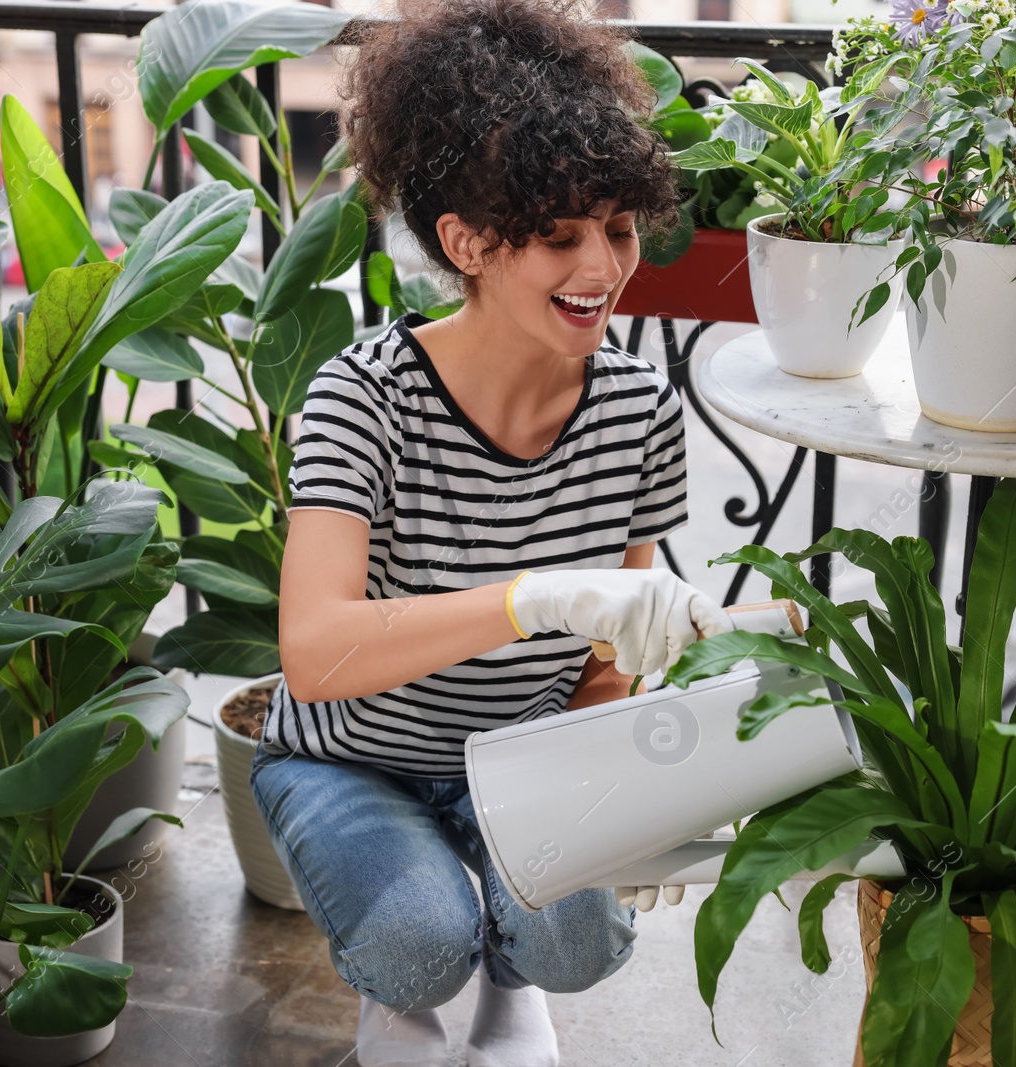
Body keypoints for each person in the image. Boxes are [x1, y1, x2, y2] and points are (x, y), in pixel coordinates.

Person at [248, 2, 733, 1064]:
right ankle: (405, 992)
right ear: (465, 241)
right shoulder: (360, 399)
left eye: (615, 227)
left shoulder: (638, 411)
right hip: (350, 763)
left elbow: (604, 668)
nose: (600, 267)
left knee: (579, 935)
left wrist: (639, 786)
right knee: (419, 942)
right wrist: (532, 598)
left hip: (514, 754)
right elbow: (316, 652)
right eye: (557, 237)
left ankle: (514, 989)